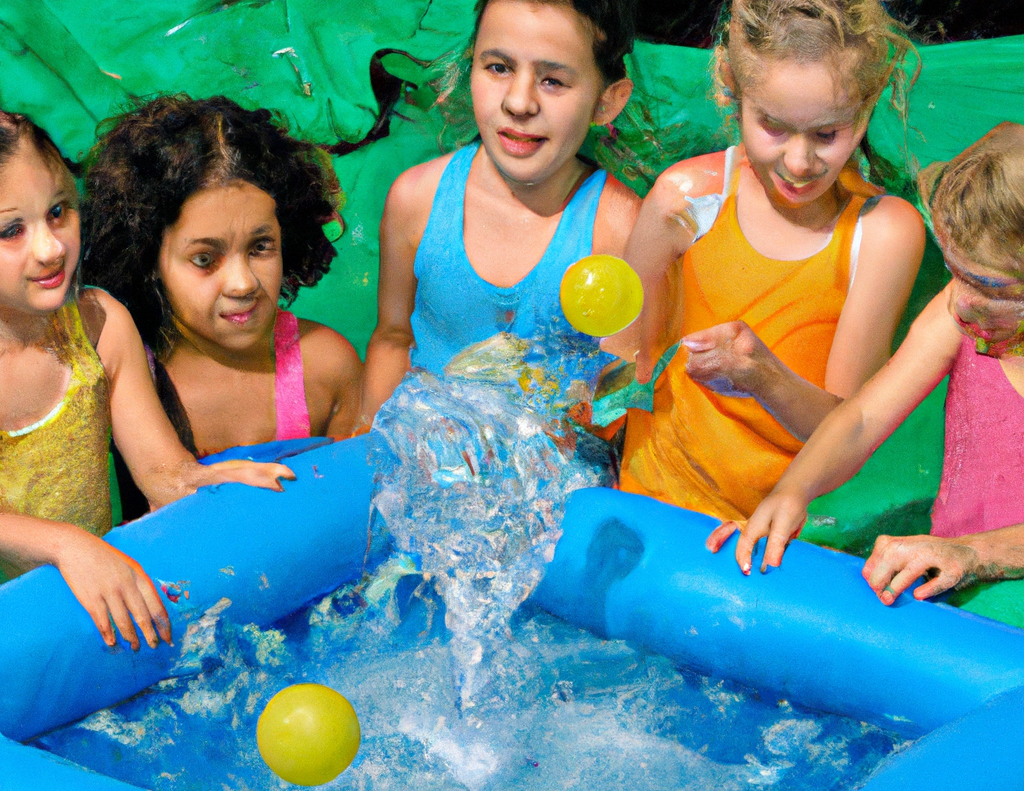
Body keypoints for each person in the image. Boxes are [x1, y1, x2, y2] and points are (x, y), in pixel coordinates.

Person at [607, 0, 925, 521]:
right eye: (773, 126)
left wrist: (763, 377)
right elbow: (619, 365)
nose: (799, 163)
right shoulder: (685, 200)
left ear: (866, 109)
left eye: (828, 134)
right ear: (732, 87)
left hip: (786, 540)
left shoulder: (882, 233)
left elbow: (847, 439)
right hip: (652, 504)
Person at [0, 111, 293, 649]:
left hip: (78, 616)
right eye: (11, 230)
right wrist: (67, 545)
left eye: (59, 212)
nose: (51, 248)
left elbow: (163, 474)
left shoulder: (99, 330)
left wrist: (204, 481)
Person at [714, 123, 1024, 605]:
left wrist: (973, 552)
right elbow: (861, 417)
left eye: (989, 288)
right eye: (955, 272)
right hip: (950, 586)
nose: (962, 304)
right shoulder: (960, 310)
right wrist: (793, 492)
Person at [357, 0, 641, 428]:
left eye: (553, 80)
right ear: (469, 66)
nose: (519, 102)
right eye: (498, 68)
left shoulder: (618, 226)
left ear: (607, 101)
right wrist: (368, 440)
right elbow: (393, 339)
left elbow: (621, 392)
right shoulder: (416, 200)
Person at [82, 95, 361, 459]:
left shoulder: (326, 367)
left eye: (261, 247)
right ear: (148, 259)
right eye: (204, 258)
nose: (243, 283)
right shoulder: (125, 381)